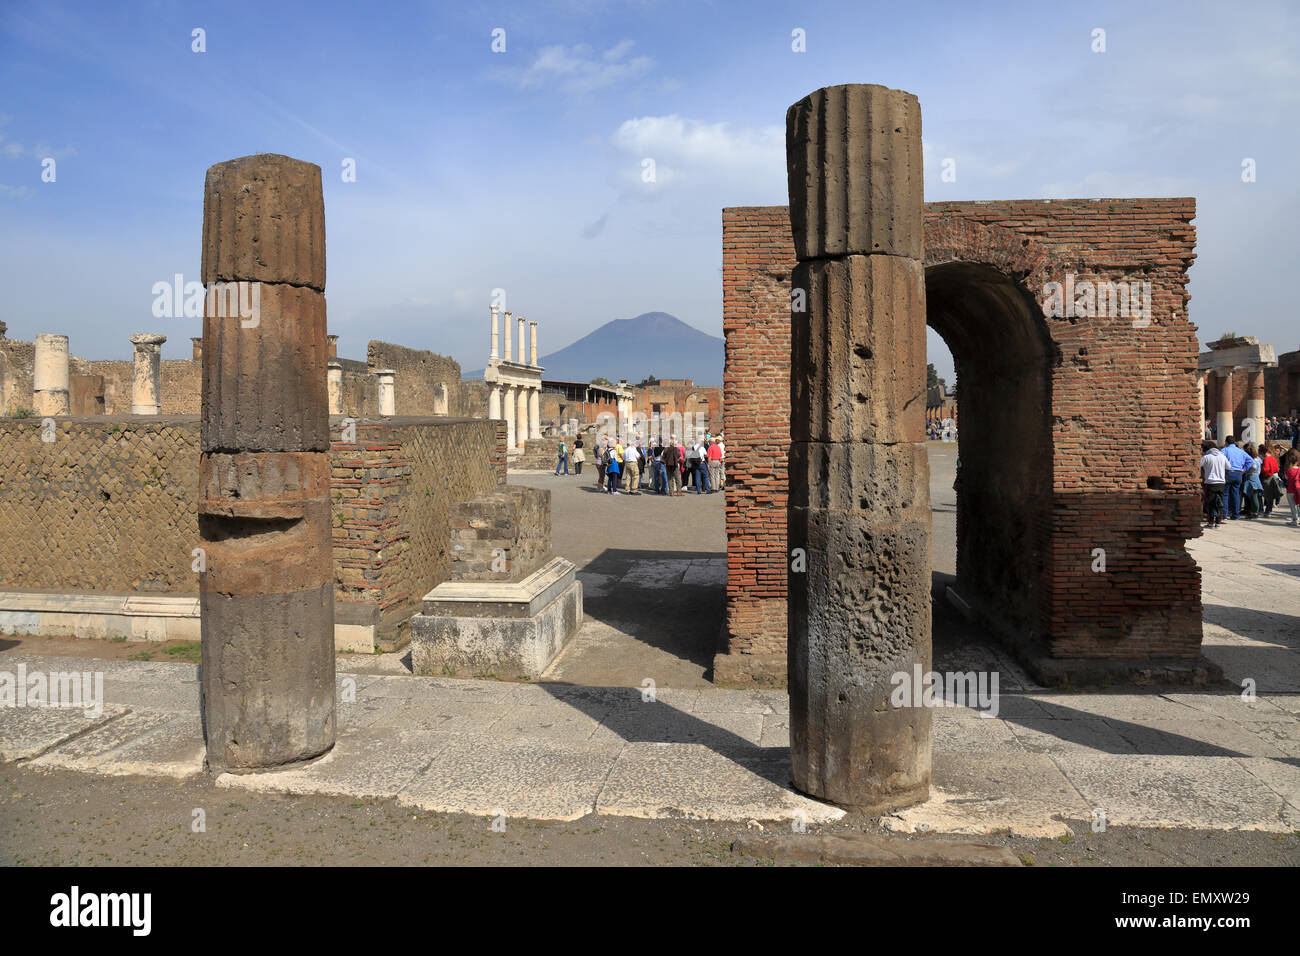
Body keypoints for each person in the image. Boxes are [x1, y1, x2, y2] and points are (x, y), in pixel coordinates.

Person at [1220, 435, 1249, 519]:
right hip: (1238, 473)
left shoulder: (1224, 450)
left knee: (1225, 494)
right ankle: (1236, 514)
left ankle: (1224, 514)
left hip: (1228, 473)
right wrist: (1244, 469)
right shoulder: (1241, 451)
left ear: (1226, 442)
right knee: (1236, 494)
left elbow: (1220, 460)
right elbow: (1250, 461)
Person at [1200, 440, 1226, 528]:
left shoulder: (1206, 457)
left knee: (1210, 503)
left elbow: (1199, 465)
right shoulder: (1222, 456)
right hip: (1221, 482)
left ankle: (1211, 522)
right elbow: (1228, 466)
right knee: (1220, 502)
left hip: (1210, 482)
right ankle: (1218, 521)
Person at [1242, 443, 1263, 518]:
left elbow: (1253, 467)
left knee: (1254, 497)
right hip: (1255, 478)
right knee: (1253, 497)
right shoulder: (1258, 459)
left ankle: (1255, 512)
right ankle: (1254, 511)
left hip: (1251, 479)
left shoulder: (1252, 461)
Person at [1261, 443, 1281, 516]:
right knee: (1271, 495)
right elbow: (1277, 469)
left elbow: (1265, 469)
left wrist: (1262, 470)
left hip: (1267, 477)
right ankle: (1269, 510)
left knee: (1267, 495)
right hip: (1273, 476)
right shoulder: (1273, 458)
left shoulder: (1266, 459)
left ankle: (1268, 511)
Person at [1285, 449, 1300, 527]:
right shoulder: (1299, 469)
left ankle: (1295, 520)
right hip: (1298, 490)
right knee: (1298, 505)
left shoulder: (1288, 470)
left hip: (1290, 490)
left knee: (1293, 506)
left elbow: (1286, 478)